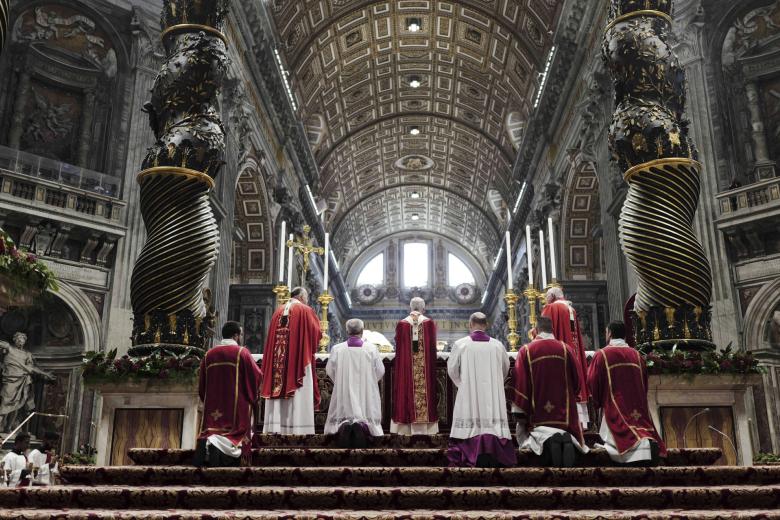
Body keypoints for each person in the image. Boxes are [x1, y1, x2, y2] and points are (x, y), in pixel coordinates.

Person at [587, 321, 666, 465]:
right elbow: (644, 383)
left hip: (616, 405)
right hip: (638, 406)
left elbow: (592, 380)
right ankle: (647, 444)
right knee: (642, 429)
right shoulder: (636, 355)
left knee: (619, 435)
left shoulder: (602, 355)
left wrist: (598, 401)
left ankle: (631, 452)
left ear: (609, 333)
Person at [513, 316, 588, 467]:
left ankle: (548, 442)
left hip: (538, 417)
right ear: (552, 329)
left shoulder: (526, 351)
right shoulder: (567, 349)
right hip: (565, 417)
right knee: (565, 428)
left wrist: (520, 412)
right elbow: (577, 382)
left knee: (534, 436)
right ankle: (565, 439)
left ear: (536, 330)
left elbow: (520, 384)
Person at [447, 312, 516, 468]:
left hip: (469, 392)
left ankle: (469, 454)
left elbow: (452, 370)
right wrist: (496, 382)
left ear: (470, 325)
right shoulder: (498, 345)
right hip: (493, 392)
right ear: (486, 325)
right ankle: (496, 453)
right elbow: (505, 368)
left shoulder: (461, 344)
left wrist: (462, 384)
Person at [194, 321, 263, 467]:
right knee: (235, 432)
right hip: (235, 409)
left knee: (212, 429)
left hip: (213, 410)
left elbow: (202, 386)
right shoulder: (241, 353)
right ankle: (221, 447)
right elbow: (256, 376)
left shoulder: (208, 355)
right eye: (241, 334)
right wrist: (252, 396)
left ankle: (210, 442)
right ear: (236, 335)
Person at [261, 287, 321, 434]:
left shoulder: (277, 311)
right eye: (306, 297)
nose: (307, 300)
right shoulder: (305, 310)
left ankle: (275, 426)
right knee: (298, 391)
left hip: (277, 362)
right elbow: (317, 334)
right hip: (298, 360)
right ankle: (299, 428)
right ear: (301, 296)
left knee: (278, 384)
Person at [324, 319, 385, 448]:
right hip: (365, 389)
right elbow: (380, 371)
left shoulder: (337, 349)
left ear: (347, 331)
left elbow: (329, 370)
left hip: (344, 388)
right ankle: (363, 426)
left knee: (344, 410)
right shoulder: (371, 349)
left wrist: (340, 381)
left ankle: (345, 424)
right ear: (362, 331)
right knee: (365, 410)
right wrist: (370, 382)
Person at [541, 287, 589, 426]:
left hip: (558, 357)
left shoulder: (551, 308)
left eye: (546, 296)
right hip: (573, 354)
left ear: (551, 296)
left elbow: (544, 330)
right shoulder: (570, 309)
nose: (545, 299)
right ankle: (581, 422)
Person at [392, 297, 438, 435]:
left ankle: (405, 428)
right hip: (424, 367)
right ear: (424, 309)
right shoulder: (429, 323)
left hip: (406, 366)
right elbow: (432, 347)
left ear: (410, 308)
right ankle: (427, 429)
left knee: (406, 385)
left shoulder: (402, 324)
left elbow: (398, 345)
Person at [0, 332, 55, 431]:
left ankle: (8, 428)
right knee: (4, 402)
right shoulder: (9, 348)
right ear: (14, 340)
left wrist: (45, 374)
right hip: (10, 380)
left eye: (23, 339)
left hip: (22, 380)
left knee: (17, 405)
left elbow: (31, 367)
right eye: (18, 339)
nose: (20, 341)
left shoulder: (27, 354)